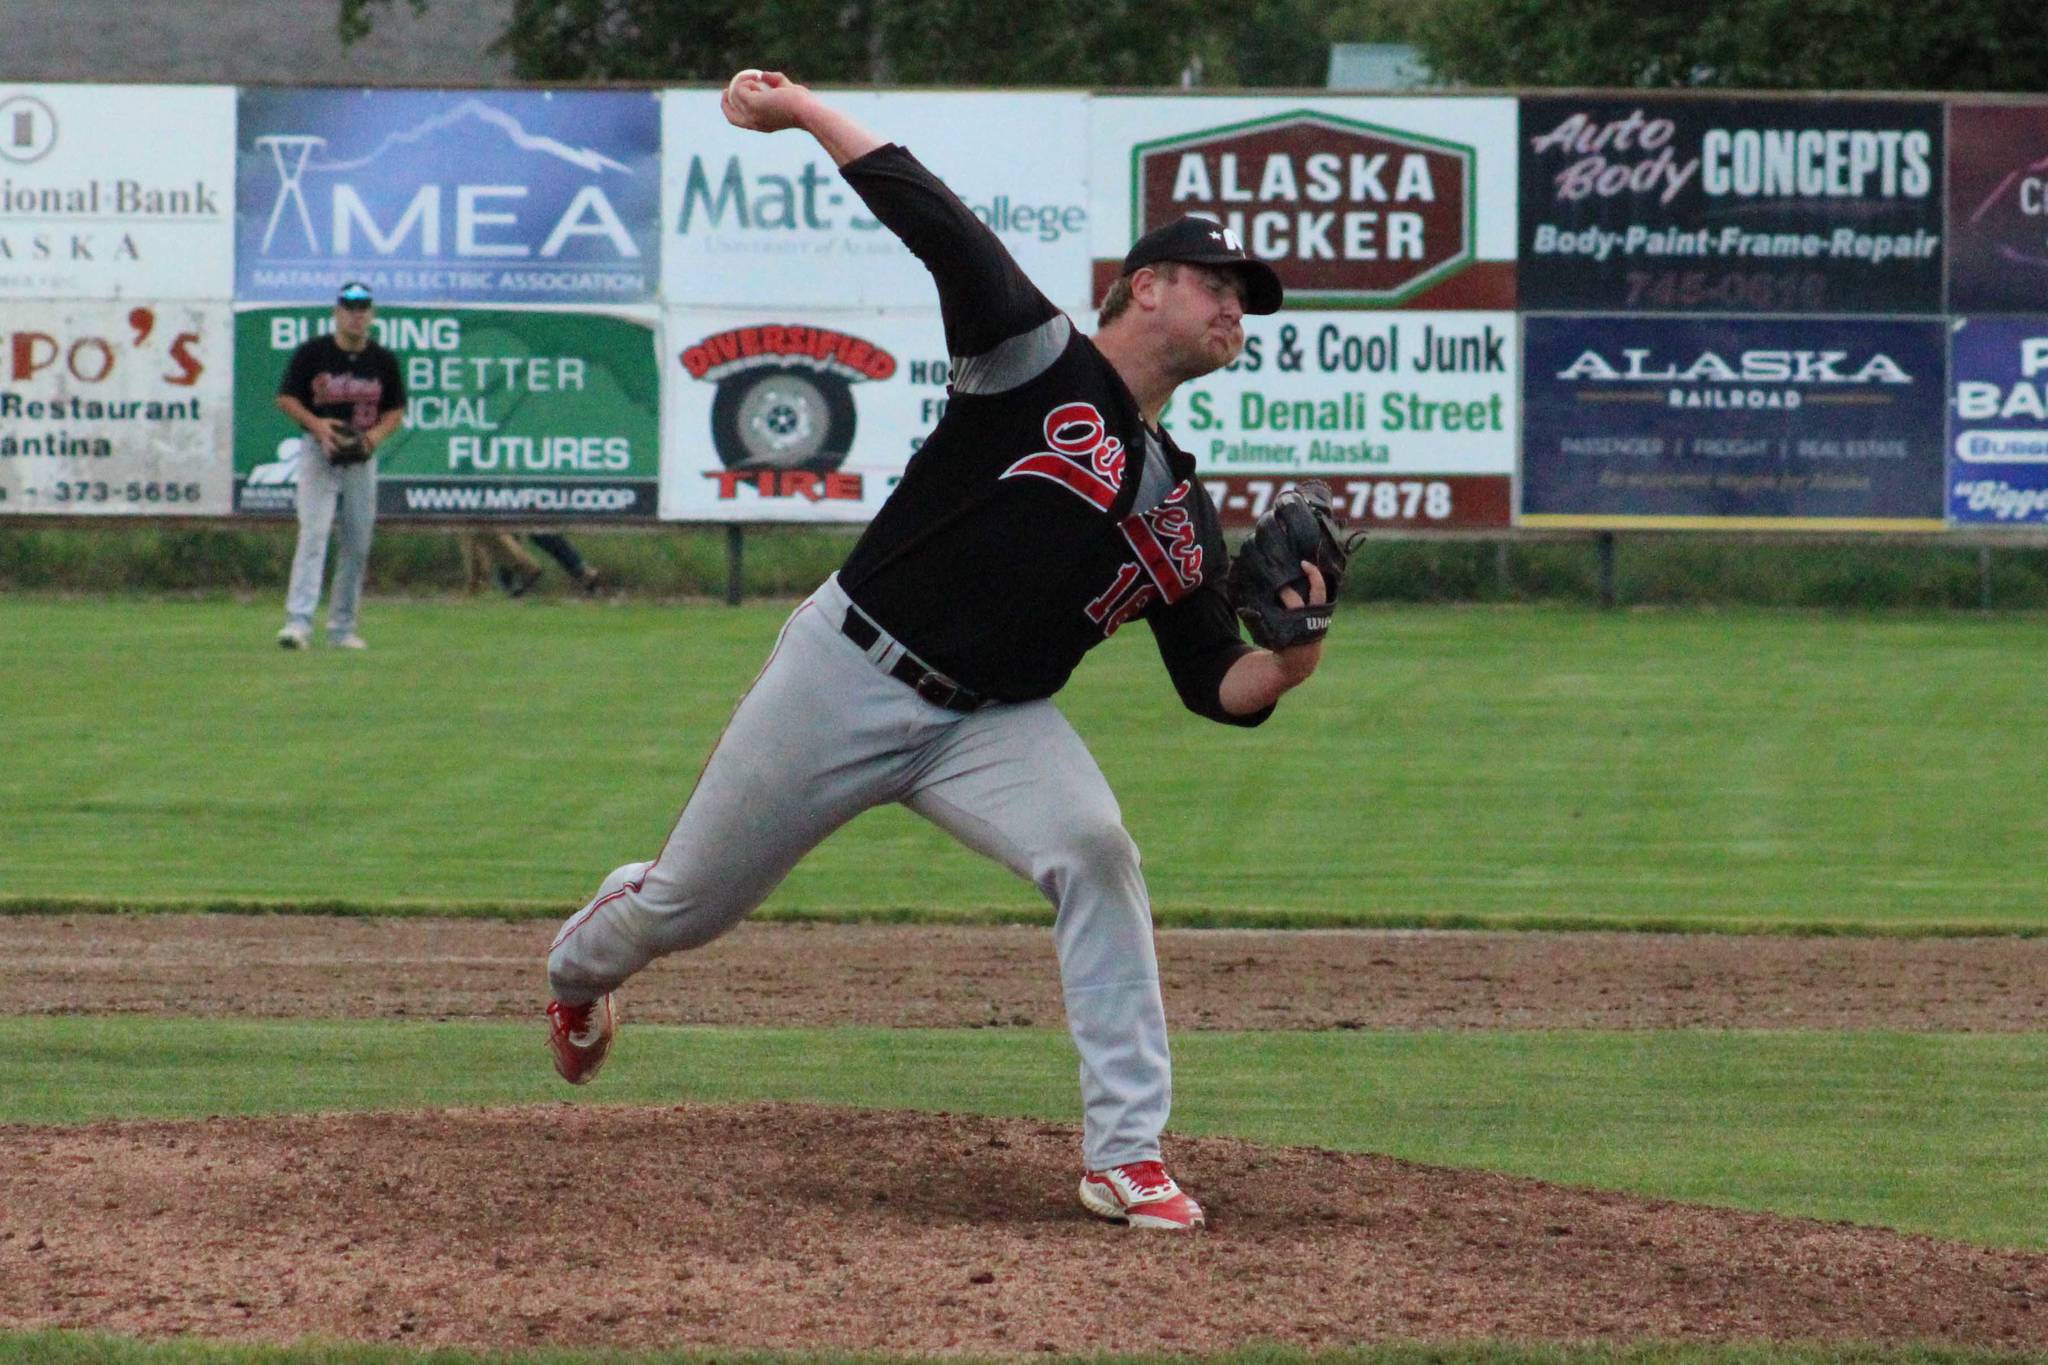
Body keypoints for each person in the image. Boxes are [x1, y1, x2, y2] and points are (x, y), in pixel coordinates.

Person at [545, 71, 1335, 1232]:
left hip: (993, 724)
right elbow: (928, 211)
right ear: (1147, 285)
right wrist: (805, 109)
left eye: (1244, 300)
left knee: (1096, 851)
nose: (1234, 310)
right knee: (684, 910)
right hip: (850, 668)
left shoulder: (1176, 505)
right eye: (1217, 285)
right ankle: (579, 970)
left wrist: (1298, 652)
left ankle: (1125, 1152)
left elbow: (1217, 684)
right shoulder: (1031, 355)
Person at [274, 282, 407, 650]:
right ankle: (298, 623)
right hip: (319, 451)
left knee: (358, 540)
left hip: (360, 456)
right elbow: (285, 398)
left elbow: (395, 410)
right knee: (314, 533)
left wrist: (371, 440)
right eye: (349, 307)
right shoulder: (313, 353)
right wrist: (318, 426)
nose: (356, 314)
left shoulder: (382, 360)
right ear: (337, 313)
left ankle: (342, 628)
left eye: (363, 308)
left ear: (372, 315)